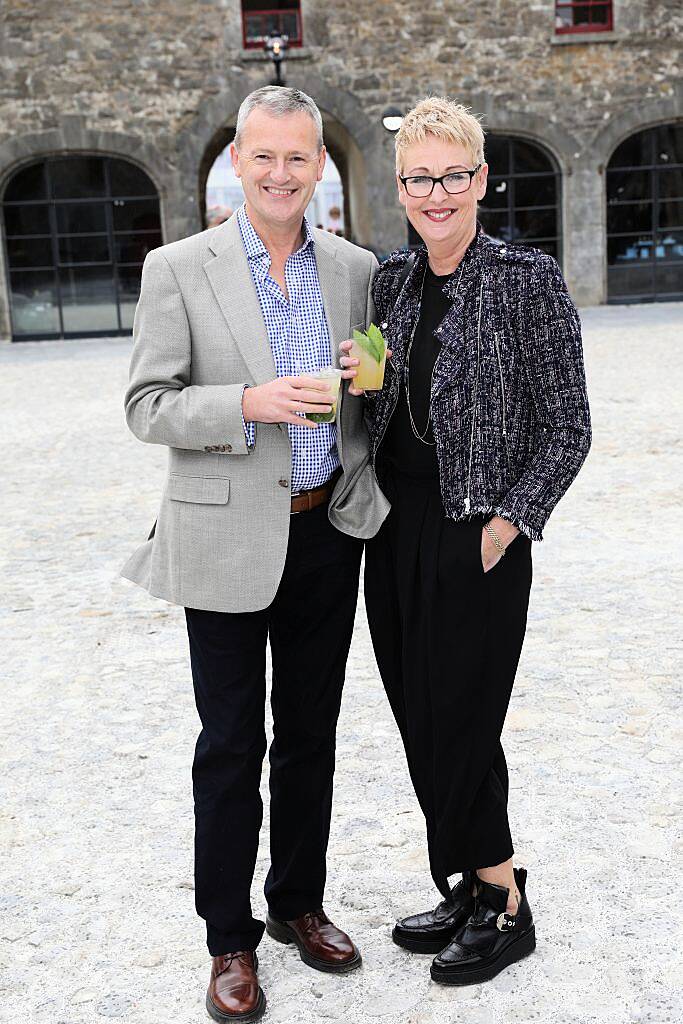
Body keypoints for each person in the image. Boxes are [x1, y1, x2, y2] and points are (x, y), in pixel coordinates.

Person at [121, 85, 389, 1022]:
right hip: (223, 535)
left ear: (322, 166)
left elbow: (376, 386)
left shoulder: (356, 268)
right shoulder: (176, 267)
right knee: (231, 745)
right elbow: (146, 406)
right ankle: (228, 938)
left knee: (309, 736)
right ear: (237, 160)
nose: (281, 174)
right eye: (264, 157)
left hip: (326, 532)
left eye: (298, 158)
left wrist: (370, 378)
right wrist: (245, 403)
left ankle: (297, 905)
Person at [340, 96, 591, 986]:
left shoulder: (526, 280)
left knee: (465, 718)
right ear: (400, 188)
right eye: (419, 179)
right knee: (419, 715)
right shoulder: (391, 282)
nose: (435, 193)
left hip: (476, 534)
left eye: (452, 175)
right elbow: (381, 406)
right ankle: (468, 883)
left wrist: (509, 522)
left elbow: (568, 428)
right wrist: (360, 379)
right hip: (395, 530)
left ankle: (505, 901)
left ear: (480, 178)